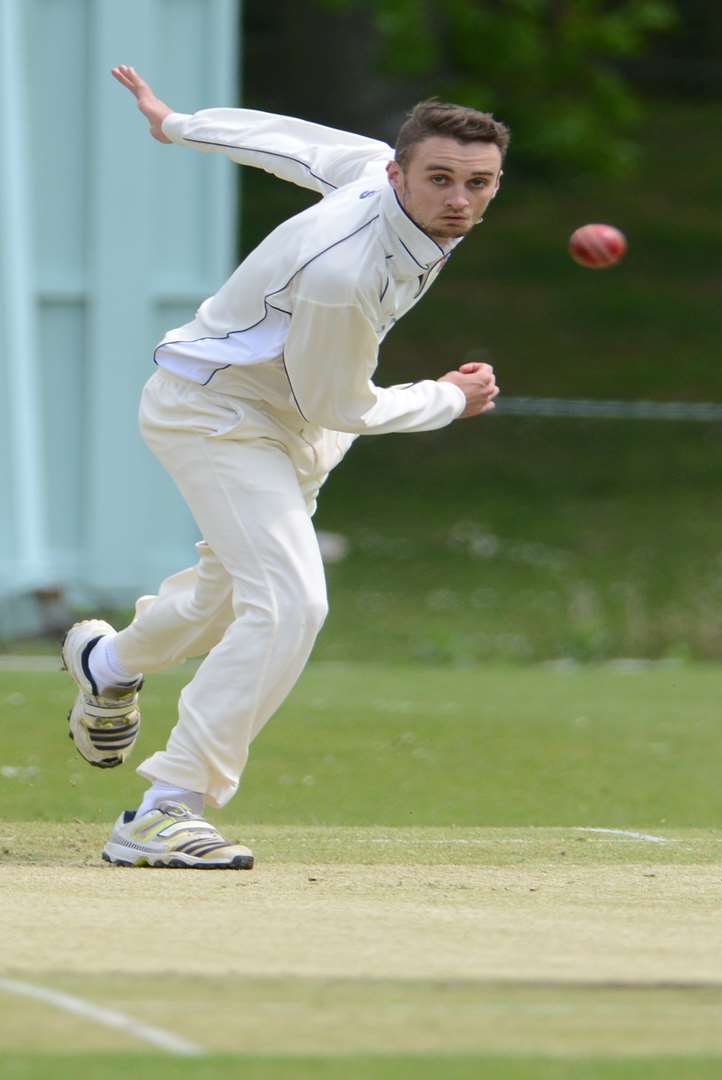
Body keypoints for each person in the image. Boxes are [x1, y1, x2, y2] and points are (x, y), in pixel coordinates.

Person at [58, 66, 506, 869]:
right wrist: (444, 398)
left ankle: (108, 663)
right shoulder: (346, 274)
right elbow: (346, 404)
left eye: (479, 183)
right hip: (218, 415)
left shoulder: (377, 174)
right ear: (399, 173)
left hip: (286, 416)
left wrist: (178, 123)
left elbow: (289, 144)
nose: (459, 201)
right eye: (440, 179)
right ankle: (166, 808)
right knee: (291, 600)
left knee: (226, 601)